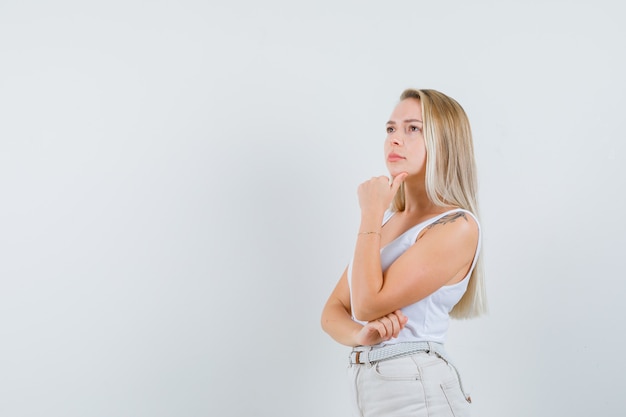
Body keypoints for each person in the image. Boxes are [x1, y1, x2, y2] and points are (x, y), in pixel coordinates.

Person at [321, 88, 486, 417]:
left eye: (413, 128)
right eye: (391, 128)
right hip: (374, 389)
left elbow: (365, 304)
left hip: (419, 392)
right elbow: (332, 311)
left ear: (444, 142)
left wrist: (369, 213)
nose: (395, 139)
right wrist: (362, 335)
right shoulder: (389, 221)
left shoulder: (457, 226)